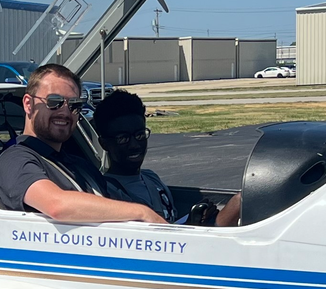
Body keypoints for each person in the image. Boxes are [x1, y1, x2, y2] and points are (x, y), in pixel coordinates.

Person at [0, 64, 165, 224]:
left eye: (74, 105)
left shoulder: (79, 166)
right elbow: (56, 205)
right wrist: (142, 212)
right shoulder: (15, 160)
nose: (65, 112)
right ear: (28, 104)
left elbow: (113, 201)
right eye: (54, 102)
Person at [93, 91, 243, 227]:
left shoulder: (152, 178)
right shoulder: (107, 193)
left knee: (240, 201)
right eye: (123, 139)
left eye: (139, 135)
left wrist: (194, 220)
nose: (134, 145)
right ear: (104, 143)